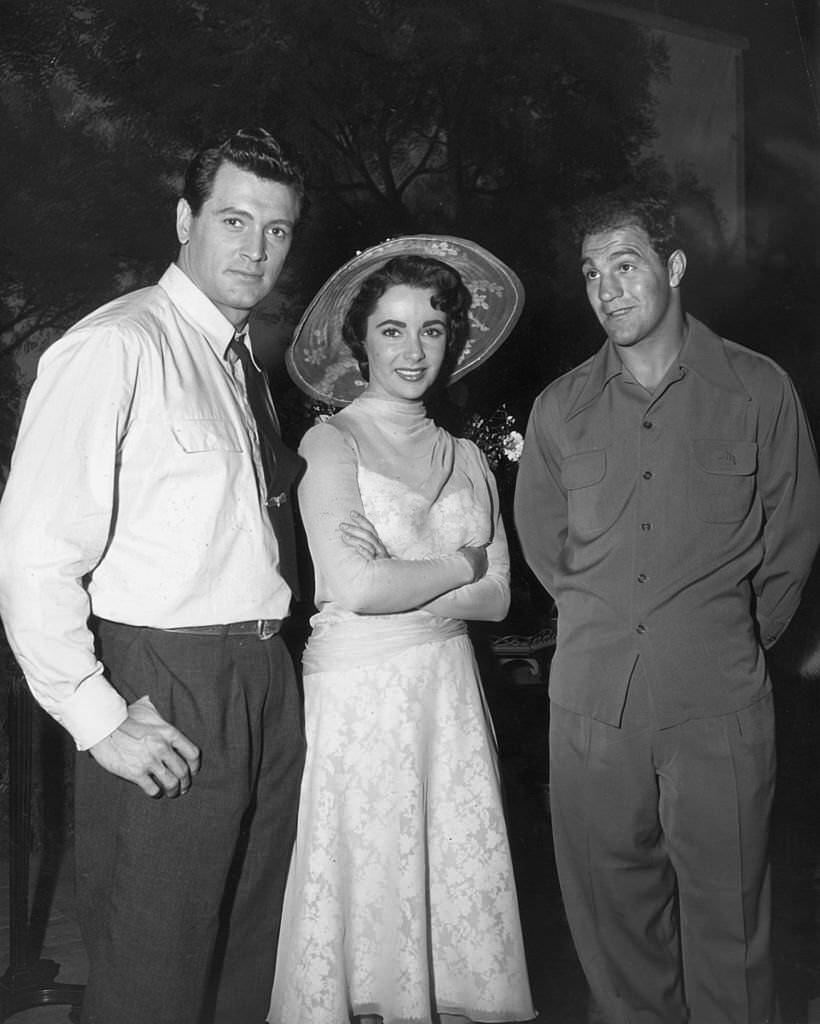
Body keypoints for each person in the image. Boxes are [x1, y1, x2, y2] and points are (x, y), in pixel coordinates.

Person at [0, 127, 308, 1024]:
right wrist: (97, 718)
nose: (255, 249)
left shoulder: (240, 364)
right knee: (153, 973)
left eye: (278, 230)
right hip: (166, 680)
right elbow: (34, 552)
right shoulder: (118, 347)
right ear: (185, 219)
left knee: (248, 958)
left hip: (261, 676)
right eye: (234, 219)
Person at [514, 190, 820, 1024]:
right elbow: (546, 550)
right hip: (592, 714)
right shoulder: (557, 411)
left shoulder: (757, 391)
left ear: (673, 268)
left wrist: (721, 641)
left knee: (732, 935)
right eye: (591, 274)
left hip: (717, 705)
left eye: (626, 265)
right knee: (617, 942)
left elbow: (790, 544)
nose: (608, 289)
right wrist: (606, 620)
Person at [269, 236, 535, 1024]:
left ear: (453, 338)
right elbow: (352, 585)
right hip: (361, 702)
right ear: (362, 341)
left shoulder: (466, 455)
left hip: (447, 703)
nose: (414, 349)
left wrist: (404, 578)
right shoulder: (331, 442)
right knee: (369, 911)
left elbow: (500, 601)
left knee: (450, 917)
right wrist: (460, 561)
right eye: (392, 329)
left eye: (431, 328)